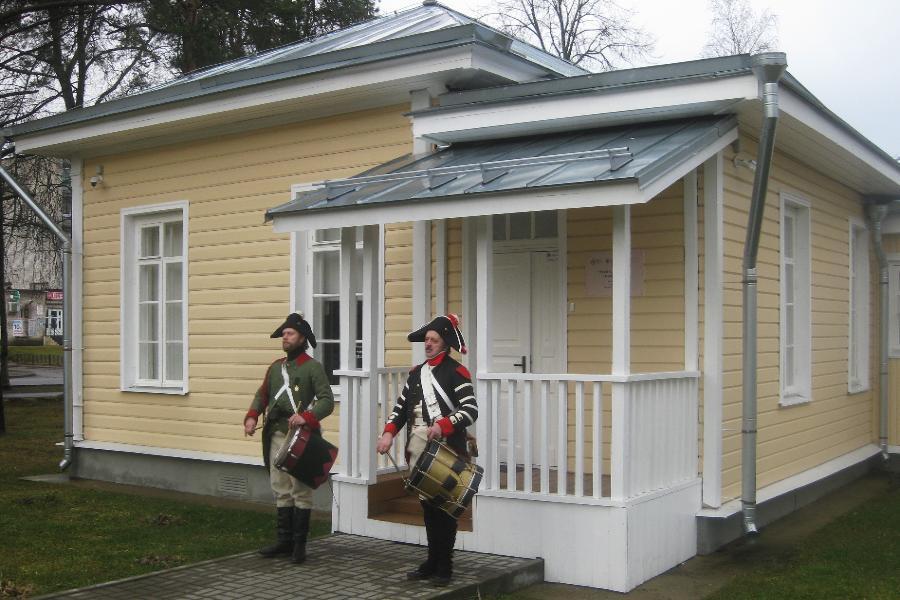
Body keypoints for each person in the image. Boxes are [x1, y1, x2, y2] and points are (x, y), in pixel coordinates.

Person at [376, 314, 478, 587]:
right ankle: (433, 561)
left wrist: (443, 425)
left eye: (433, 340)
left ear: (444, 343)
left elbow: (470, 410)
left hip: (447, 449)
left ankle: (445, 565)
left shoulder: (456, 372)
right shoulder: (416, 374)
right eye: (427, 340)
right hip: (419, 450)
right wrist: (388, 433)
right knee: (429, 508)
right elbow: (400, 410)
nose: (428, 344)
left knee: (445, 508)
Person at [243, 313, 334, 564]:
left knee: (300, 490)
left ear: (302, 338)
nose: (285, 337)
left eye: (290, 333)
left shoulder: (313, 367)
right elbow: (262, 395)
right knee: (280, 488)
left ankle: (299, 546)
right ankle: (284, 542)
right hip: (276, 434)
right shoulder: (276, 367)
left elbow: (327, 401)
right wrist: (252, 416)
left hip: (300, 437)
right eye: (283, 334)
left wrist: (307, 416)